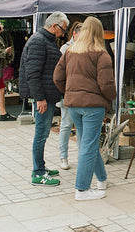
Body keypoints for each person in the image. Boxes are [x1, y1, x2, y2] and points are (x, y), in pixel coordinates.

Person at [53, 16, 115, 200]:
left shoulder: (70, 51)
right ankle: (82, 189)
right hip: (92, 106)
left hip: (73, 105)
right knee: (88, 145)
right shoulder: (101, 54)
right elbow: (107, 84)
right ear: (99, 32)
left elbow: (57, 77)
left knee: (88, 143)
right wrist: (112, 99)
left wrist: (69, 92)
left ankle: (102, 180)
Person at [19, 12, 69, 186]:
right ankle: (38, 173)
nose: (63, 34)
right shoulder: (39, 41)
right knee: (41, 134)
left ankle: (40, 166)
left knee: (43, 133)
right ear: (54, 26)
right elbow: (32, 73)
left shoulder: (45, 40)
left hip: (47, 95)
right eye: (62, 29)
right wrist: (39, 98)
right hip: (43, 97)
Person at [57, 21, 82, 170]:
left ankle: (81, 156)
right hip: (68, 91)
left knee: (80, 126)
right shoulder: (65, 49)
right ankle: (63, 156)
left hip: (81, 93)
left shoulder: (85, 48)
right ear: (75, 33)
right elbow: (60, 73)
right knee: (66, 124)